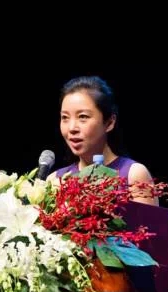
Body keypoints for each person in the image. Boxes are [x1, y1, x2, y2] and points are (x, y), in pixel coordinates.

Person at [47, 75, 159, 206]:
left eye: (83, 117)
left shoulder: (134, 174)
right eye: (65, 117)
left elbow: (147, 220)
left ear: (109, 122)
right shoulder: (55, 181)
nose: (72, 128)